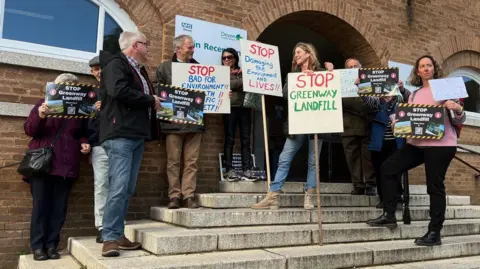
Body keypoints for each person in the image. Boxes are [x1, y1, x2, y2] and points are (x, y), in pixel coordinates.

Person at [366, 55, 466, 247]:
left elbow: (459, 119)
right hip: (417, 144)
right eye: (422, 66)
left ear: (434, 69)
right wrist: (397, 121)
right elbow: (409, 120)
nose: (426, 68)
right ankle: (389, 214)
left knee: (434, 186)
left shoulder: (447, 89)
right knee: (387, 168)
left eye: (429, 65)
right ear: (418, 72)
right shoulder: (414, 94)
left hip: (442, 145)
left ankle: (434, 232)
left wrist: (457, 109)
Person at [99, 31, 162, 257]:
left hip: (136, 135)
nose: (148, 48)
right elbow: (118, 90)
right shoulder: (116, 64)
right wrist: (150, 99)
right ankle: (109, 238)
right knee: (118, 186)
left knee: (127, 188)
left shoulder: (139, 70)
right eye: (146, 44)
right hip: (120, 134)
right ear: (136, 45)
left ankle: (117, 233)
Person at [252, 42, 333, 210]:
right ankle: (273, 194)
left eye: (298, 52)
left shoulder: (321, 74)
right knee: (284, 158)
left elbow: (332, 92)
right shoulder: (293, 76)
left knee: (313, 162)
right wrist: (300, 79)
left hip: (317, 124)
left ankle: (309, 196)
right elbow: (285, 95)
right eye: (294, 53)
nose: (295, 55)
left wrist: (330, 73)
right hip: (298, 123)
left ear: (308, 54)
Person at [24, 73, 91, 261]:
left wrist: (84, 142)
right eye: (65, 85)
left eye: (72, 86)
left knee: (59, 209)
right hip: (42, 165)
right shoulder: (42, 103)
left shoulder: (79, 110)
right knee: (40, 208)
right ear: (56, 87)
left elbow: (81, 132)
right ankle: (38, 247)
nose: (69, 89)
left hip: (66, 165)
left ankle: (52, 246)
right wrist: (40, 116)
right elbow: (30, 130)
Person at [156, 35, 204, 209]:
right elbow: (156, 89)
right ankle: (174, 196)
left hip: (194, 122)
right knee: (173, 161)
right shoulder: (165, 67)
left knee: (192, 161)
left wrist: (222, 96)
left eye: (192, 47)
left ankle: (189, 195)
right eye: (189, 47)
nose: (192, 49)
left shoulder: (198, 68)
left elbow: (210, 92)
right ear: (178, 48)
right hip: (173, 123)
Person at [359, 79, 409, 208]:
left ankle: (397, 196)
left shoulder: (400, 102)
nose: (386, 92)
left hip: (396, 144)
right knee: (380, 171)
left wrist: (402, 88)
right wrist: (361, 85)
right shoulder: (377, 102)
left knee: (395, 171)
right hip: (379, 144)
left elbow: (410, 99)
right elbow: (366, 100)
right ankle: (384, 199)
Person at [221, 48, 259, 182]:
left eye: (229, 57)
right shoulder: (220, 73)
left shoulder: (244, 71)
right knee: (229, 139)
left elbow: (251, 82)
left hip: (244, 108)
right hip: (229, 108)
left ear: (235, 58)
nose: (226, 60)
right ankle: (229, 170)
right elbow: (226, 84)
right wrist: (242, 82)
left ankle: (247, 168)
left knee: (246, 140)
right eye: (224, 58)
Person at [343, 58, 376, 196]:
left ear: (361, 68)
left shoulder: (369, 83)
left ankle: (370, 184)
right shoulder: (341, 84)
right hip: (348, 126)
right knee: (352, 158)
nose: (352, 68)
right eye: (349, 67)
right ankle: (357, 184)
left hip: (366, 125)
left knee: (368, 158)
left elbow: (374, 104)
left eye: (355, 66)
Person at [87, 56, 109, 243]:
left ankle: (116, 222)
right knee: (101, 185)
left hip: (118, 143)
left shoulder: (115, 89)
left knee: (120, 185)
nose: (98, 71)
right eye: (95, 69)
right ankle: (102, 226)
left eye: (101, 68)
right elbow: (85, 122)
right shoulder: (90, 94)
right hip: (99, 146)